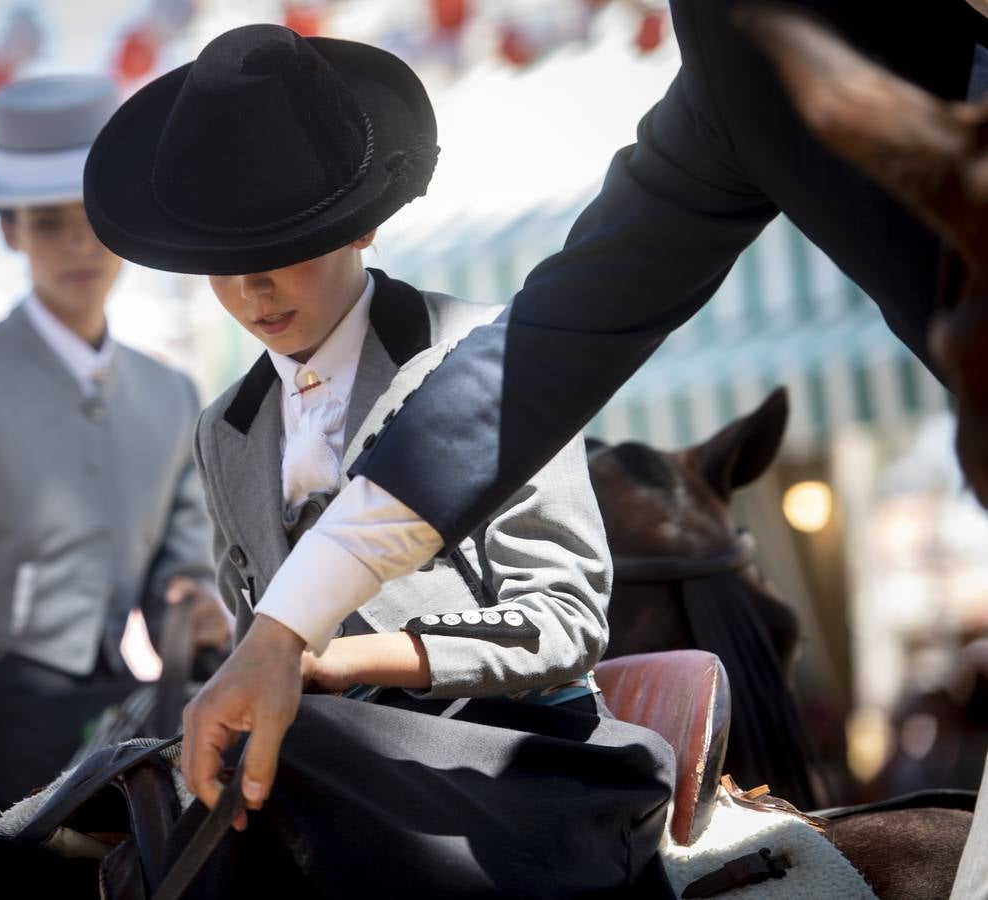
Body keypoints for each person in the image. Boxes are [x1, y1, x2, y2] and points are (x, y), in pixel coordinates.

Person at [83, 24, 676, 896]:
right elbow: (251, 642)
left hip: (515, 767)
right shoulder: (224, 430)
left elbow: (564, 618)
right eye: (225, 263)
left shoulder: (487, 355)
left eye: (282, 247)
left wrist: (334, 664)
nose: (254, 291)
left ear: (359, 227)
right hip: (320, 777)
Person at [0, 74, 227, 822]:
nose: (76, 245)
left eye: (93, 217)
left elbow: (185, 570)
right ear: (9, 229)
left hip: (125, 737)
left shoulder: (169, 393)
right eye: (46, 222)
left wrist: (196, 608)